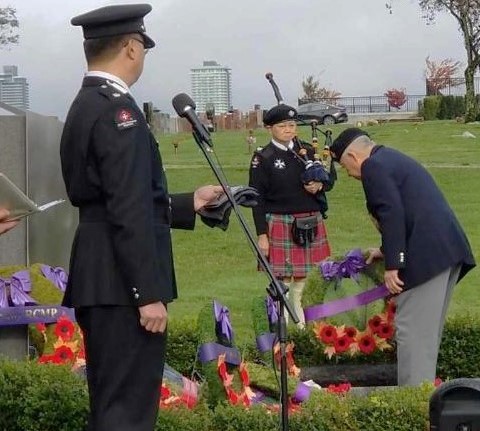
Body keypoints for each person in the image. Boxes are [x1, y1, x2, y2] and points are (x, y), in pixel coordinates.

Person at [60, 5, 223, 431]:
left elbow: (111, 198)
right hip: (120, 283)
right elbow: (127, 208)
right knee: (127, 412)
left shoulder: (85, 104)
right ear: (131, 48)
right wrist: (145, 293)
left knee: (113, 404)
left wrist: (189, 203)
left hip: (101, 274)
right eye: (142, 47)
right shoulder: (120, 112)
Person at [330, 127, 476, 386]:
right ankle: (424, 404)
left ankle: (414, 410)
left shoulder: (373, 166)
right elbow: (409, 210)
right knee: (426, 337)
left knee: (414, 335)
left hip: (427, 258)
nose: (349, 174)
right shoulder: (390, 158)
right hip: (445, 252)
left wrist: (393, 264)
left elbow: (391, 213)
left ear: (353, 156)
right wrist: (385, 250)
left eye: (344, 167)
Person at [248, 104, 334, 327]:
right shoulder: (263, 158)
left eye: (292, 125)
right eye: (282, 125)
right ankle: (284, 328)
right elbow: (256, 199)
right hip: (280, 223)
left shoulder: (308, 151)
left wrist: (320, 185)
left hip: (311, 220)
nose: (288, 129)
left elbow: (330, 177)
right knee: (283, 282)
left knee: (306, 280)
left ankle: (305, 326)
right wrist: (262, 235)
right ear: (270, 128)